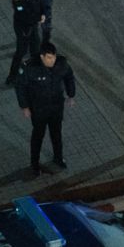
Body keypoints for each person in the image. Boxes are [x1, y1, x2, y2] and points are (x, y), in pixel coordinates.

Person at [16, 43, 76, 178]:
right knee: (38, 136)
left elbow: (69, 76)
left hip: (56, 107)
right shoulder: (30, 68)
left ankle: (58, 158)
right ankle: (35, 165)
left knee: (56, 134)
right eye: (49, 58)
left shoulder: (61, 64)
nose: (52, 60)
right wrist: (24, 106)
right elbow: (20, 86)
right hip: (39, 109)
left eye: (53, 57)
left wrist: (71, 95)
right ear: (42, 57)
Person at [6, 0, 43, 85]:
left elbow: (38, 3)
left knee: (35, 49)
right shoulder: (18, 0)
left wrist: (41, 13)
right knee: (21, 51)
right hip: (23, 29)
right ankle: (12, 76)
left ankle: (35, 73)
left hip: (33, 26)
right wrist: (38, 18)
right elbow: (24, 16)